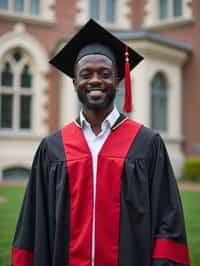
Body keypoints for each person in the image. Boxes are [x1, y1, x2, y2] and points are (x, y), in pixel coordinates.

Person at [12, 19, 190, 266]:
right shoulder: (52, 148)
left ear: (118, 81)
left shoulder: (147, 144)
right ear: (75, 83)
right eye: (85, 74)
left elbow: (168, 220)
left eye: (105, 74)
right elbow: (33, 222)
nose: (95, 80)